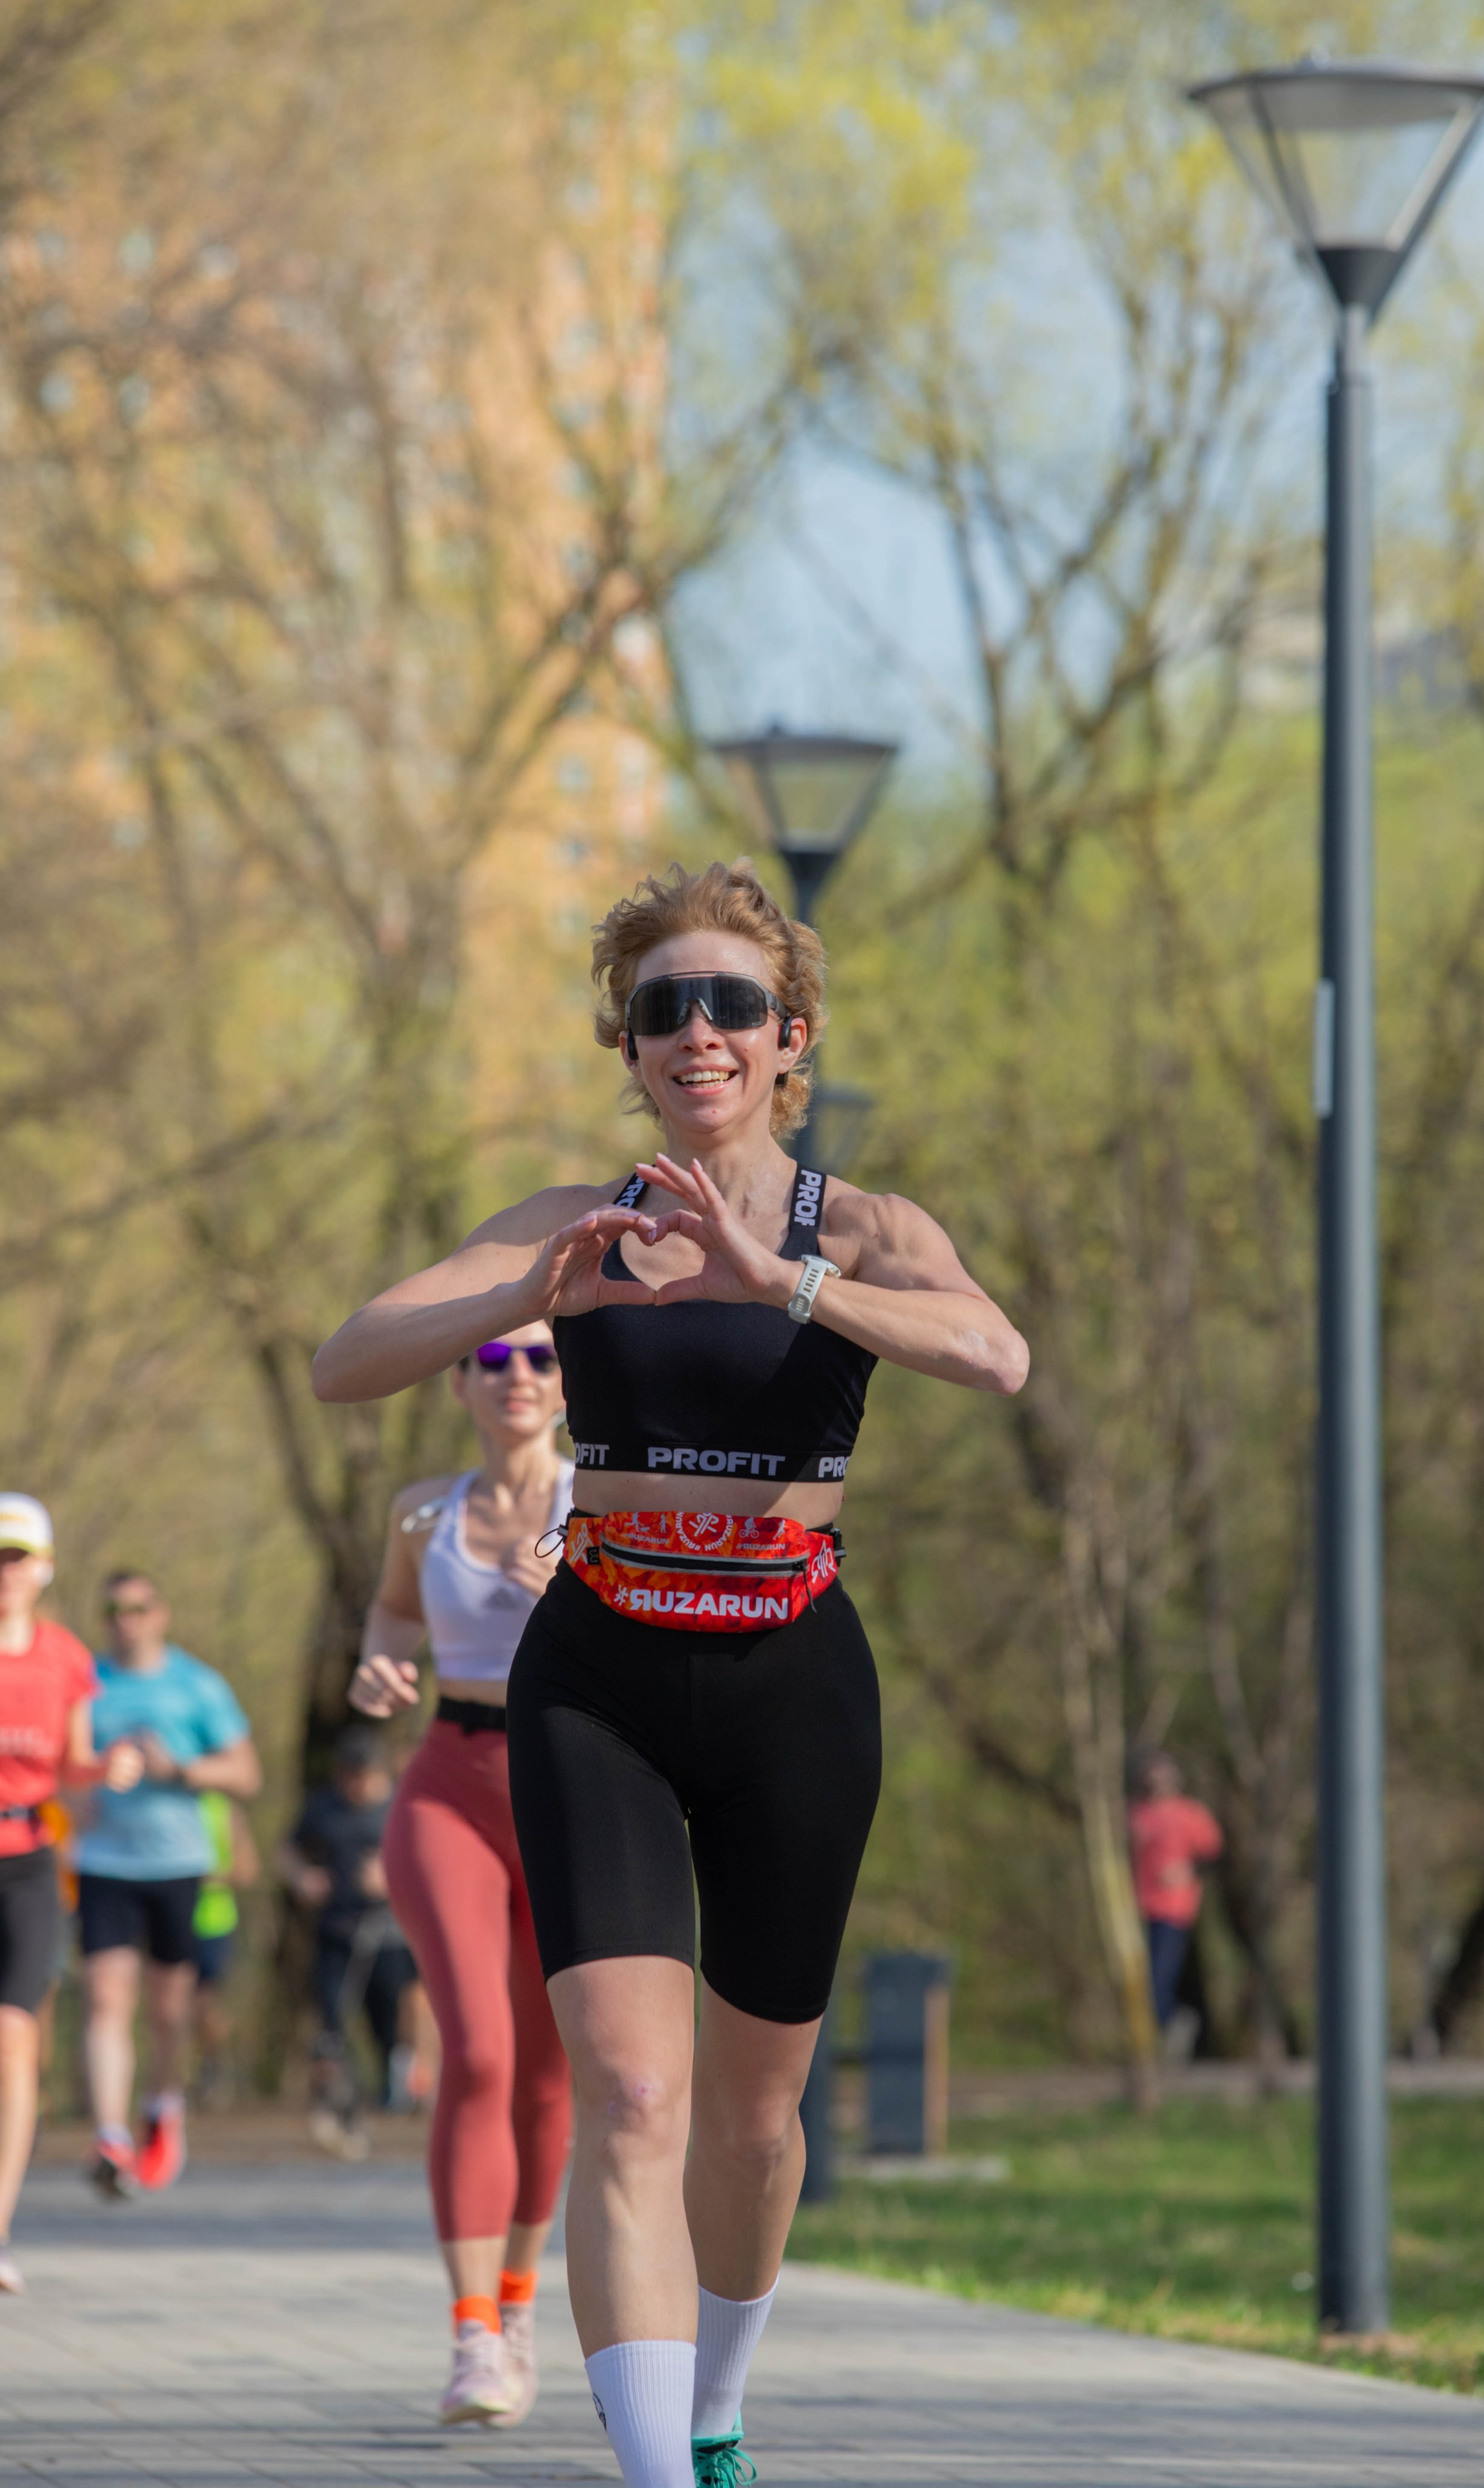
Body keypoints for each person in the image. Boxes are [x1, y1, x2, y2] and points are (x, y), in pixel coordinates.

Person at [312, 858, 1030, 2488]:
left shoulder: (858, 1225)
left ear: (791, 1037)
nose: (695, 1030)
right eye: (660, 1008)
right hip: (604, 1674)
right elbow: (341, 1360)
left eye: (730, 1006)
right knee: (633, 2089)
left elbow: (996, 1354)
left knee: (751, 2123)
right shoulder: (571, 1222)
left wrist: (775, 1278)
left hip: (791, 1680)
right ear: (625, 1045)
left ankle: (714, 2400)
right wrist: (528, 1293)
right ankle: (652, 2475)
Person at [343, 1328, 577, 2430]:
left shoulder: (606, 1500)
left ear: (568, 1381)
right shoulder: (421, 1511)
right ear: (460, 1383)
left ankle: (522, 2304)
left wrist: (589, 1578)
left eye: (539, 1356)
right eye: (493, 1358)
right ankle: (473, 2335)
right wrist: (380, 1656)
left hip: (577, 1787)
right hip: (451, 1780)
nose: (517, 1374)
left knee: (548, 2074)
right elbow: (394, 1611)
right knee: (477, 2054)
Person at [77, 1570, 261, 2197]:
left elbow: (246, 1774)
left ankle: (161, 2105)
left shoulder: (197, 1685)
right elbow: (60, 1769)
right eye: (115, 1609)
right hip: (102, 1861)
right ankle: (110, 2135)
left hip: (179, 1864)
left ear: (162, 1613)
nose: (125, 1619)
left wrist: (176, 1768)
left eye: (138, 1607)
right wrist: (89, 1780)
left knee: (167, 2008)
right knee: (106, 1998)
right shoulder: (85, 1682)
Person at [0, 1495, 141, 2293]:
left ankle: (0, 2227)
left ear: (45, 1569)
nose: (5, 1573)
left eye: (17, 1558)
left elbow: (73, 1761)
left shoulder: (65, 1658)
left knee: (14, 2035)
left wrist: (105, 1769)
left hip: (26, 1859)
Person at [275, 1726, 417, 2155]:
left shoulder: (404, 1808)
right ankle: (341, 2110)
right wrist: (304, 1878)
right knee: (333, 2022)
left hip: (390, 1937)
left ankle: (396, 2085)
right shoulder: (324, 1808)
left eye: (364, 1775)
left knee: (385, 2024)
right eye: (349, 1775)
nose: (356, 1785)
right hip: (336, 1932)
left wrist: (393, 1878)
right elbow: (288, 1849)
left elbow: (434, 1865)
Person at [1128, 1749, 1224, 2032]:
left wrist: (1187, 1871)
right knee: (1138, 1976)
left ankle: (1171, 2026)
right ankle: (1160, 2031)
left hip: (1173, 1907)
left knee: (1160, 1975)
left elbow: (1214, 1856)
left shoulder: (1190, 1814)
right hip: (1137, 1906)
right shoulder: (1137, 1814)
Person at [190, 1791, 258, 2107]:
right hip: (164, 1919)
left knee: (206, 2004)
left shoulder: (223, 1808)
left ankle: (211, 2068)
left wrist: (201, 1877)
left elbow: (247, 1870)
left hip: (212, 1923)